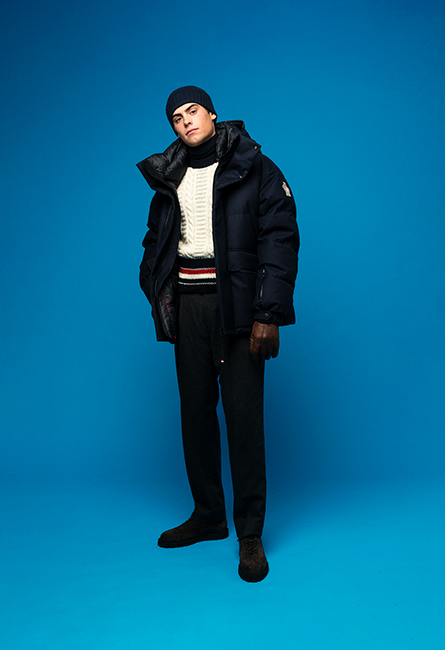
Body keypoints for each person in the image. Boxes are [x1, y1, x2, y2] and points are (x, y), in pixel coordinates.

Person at [137, 86, 299, 582]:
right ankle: (208, 515)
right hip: (189, 308)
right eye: (176, 117)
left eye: (192, 111)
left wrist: (268, 314)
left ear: (212, 114)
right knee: (195, 416)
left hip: (239, 310)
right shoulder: (170, 176)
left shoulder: (256, 167)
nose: (185, 121)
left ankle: (249, 532)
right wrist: (154, 286)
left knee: (244, 420)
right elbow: (156, 240)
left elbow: (280, 239)